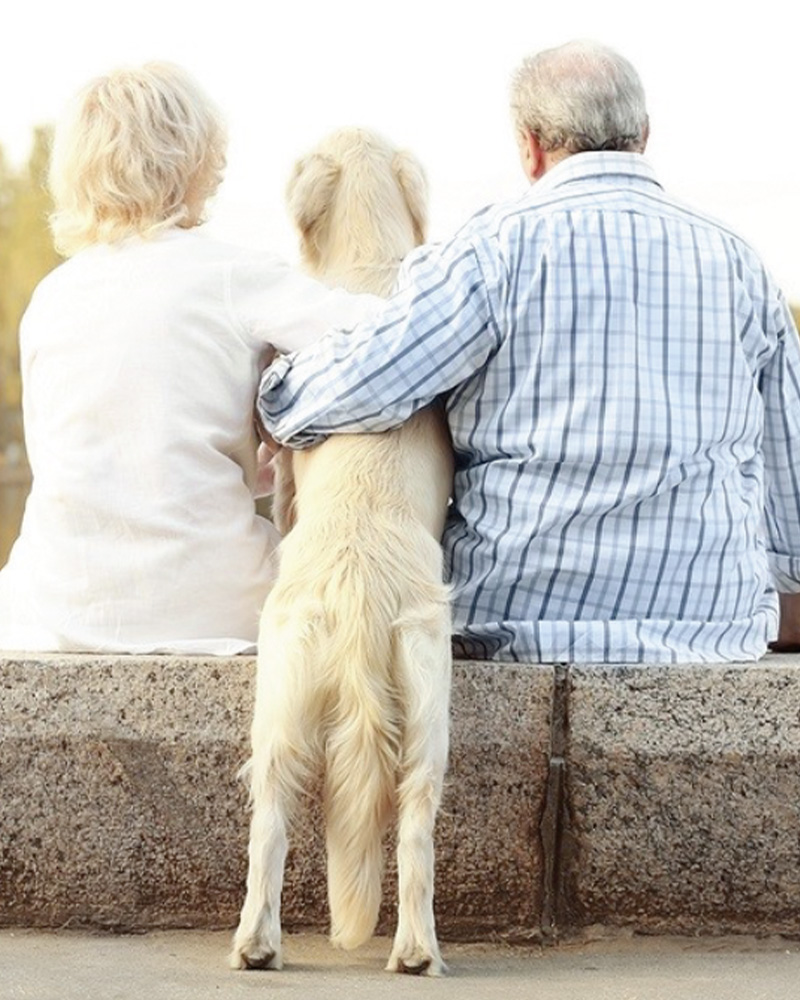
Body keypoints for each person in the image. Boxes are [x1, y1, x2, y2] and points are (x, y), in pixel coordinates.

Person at [256, 40, 800, 664]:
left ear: (530, 146)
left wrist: (277, 393)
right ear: (644, 135)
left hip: (517, 624)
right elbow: (790, 462)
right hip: (711, 629)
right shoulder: (740, 264)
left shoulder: (492, 252)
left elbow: (363, 384)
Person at [0, 63, 378, 653]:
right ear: (195, 159)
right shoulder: (232, 275)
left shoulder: (51, 297)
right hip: (210, 606)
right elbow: (381, 336)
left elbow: (111, 459)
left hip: (52, 606)